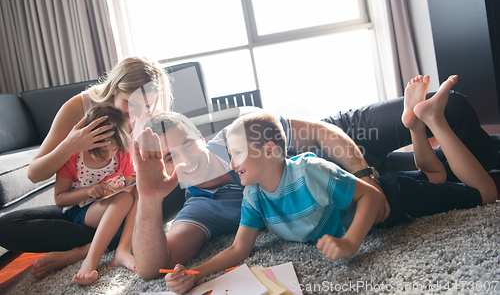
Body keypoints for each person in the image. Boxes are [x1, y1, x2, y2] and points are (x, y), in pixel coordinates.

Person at [131, 75, 498, 282]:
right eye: (166, 159)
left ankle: (425, 124)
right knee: (440, 177)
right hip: (352, 192)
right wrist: (149, 199)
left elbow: (322, 135)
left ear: (199, 137)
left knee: (456, 110)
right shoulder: (208, 205)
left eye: (183, 148)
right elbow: (154, 267)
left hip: (343, 146)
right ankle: (423, 130)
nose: (181, 162)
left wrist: (364, 177)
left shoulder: (241, 136)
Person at [0, 56, 172, 279]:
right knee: (6, 226)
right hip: (87, 208)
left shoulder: (147, 115)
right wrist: (71, 145)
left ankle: (85, 251)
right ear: (114, 90)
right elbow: (34, 174)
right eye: (131, 104)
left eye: (147, 106)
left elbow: (146, 176)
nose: (139, 115)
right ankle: (113, 242)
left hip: (126, 205)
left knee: (169, 192)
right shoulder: (79, 107)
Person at [55, 104, 136, 285]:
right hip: (82, 209)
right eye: (101, 152)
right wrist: (88, 191)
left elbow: (131, 182)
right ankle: (90, 261)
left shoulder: (121, 155)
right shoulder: (73, 159)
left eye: (113, 150)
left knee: (135, 196)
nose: (108, 156)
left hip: (113, 205)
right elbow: (59, 199)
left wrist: (133, 183)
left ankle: (114, 249)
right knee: (124, 200)